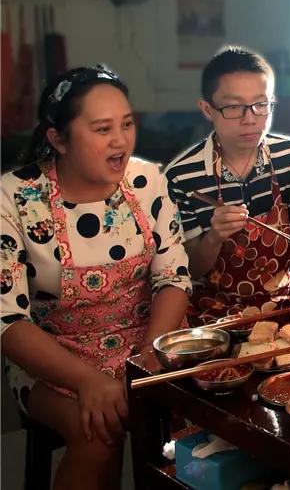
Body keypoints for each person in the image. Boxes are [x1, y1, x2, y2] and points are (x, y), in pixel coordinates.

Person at [1, 66, 191, 490]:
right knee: (98, 432)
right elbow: (7, 321)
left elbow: (174, 279)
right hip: (53, 360)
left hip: (147, 346)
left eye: (127, 124)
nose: (121, 140)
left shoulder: (147, 182)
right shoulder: (13, 198)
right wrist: (90, 381)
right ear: (58, 140)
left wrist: (144, 361)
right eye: (102, 128)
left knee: (205, 420)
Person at [165, 47, 290, 323]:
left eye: (261, 104)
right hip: (217, 313)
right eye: (233, 107)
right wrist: (214, 237)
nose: (250, 118)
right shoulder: (182, 175)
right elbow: (192, 269)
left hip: (285, 302)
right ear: (207, 110)